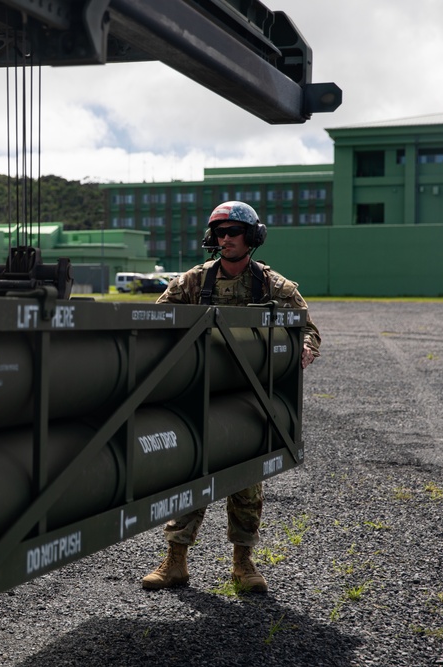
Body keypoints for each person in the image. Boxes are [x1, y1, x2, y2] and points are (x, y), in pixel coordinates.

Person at [141, 200, 321, 594]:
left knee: (247, 479)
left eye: (234, 232)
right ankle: (175, 562)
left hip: (252, 397)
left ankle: (243, 563)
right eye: (219, 233)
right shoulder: (193, 282)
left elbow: (306, 328)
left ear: (252, 237)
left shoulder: (274, 287)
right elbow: (156, 322)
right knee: (189, 472)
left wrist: (304, 348)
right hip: (199, 395)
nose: (226, 239)